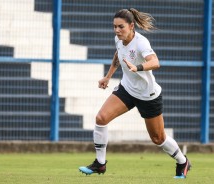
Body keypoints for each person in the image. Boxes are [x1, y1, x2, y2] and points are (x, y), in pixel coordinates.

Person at [79, 8, 191, 178]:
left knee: (158, 138)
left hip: (148, 95)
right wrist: (108, 77)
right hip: (127, 90)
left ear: (131, 26)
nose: (117, 30)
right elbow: (118, 55)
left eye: (121, 27)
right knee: (101, 118)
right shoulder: (118, 39)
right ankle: (100, 164)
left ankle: (183, 162)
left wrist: (137, 67)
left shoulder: (141, 42)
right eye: (114, 26)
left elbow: (155, 62)